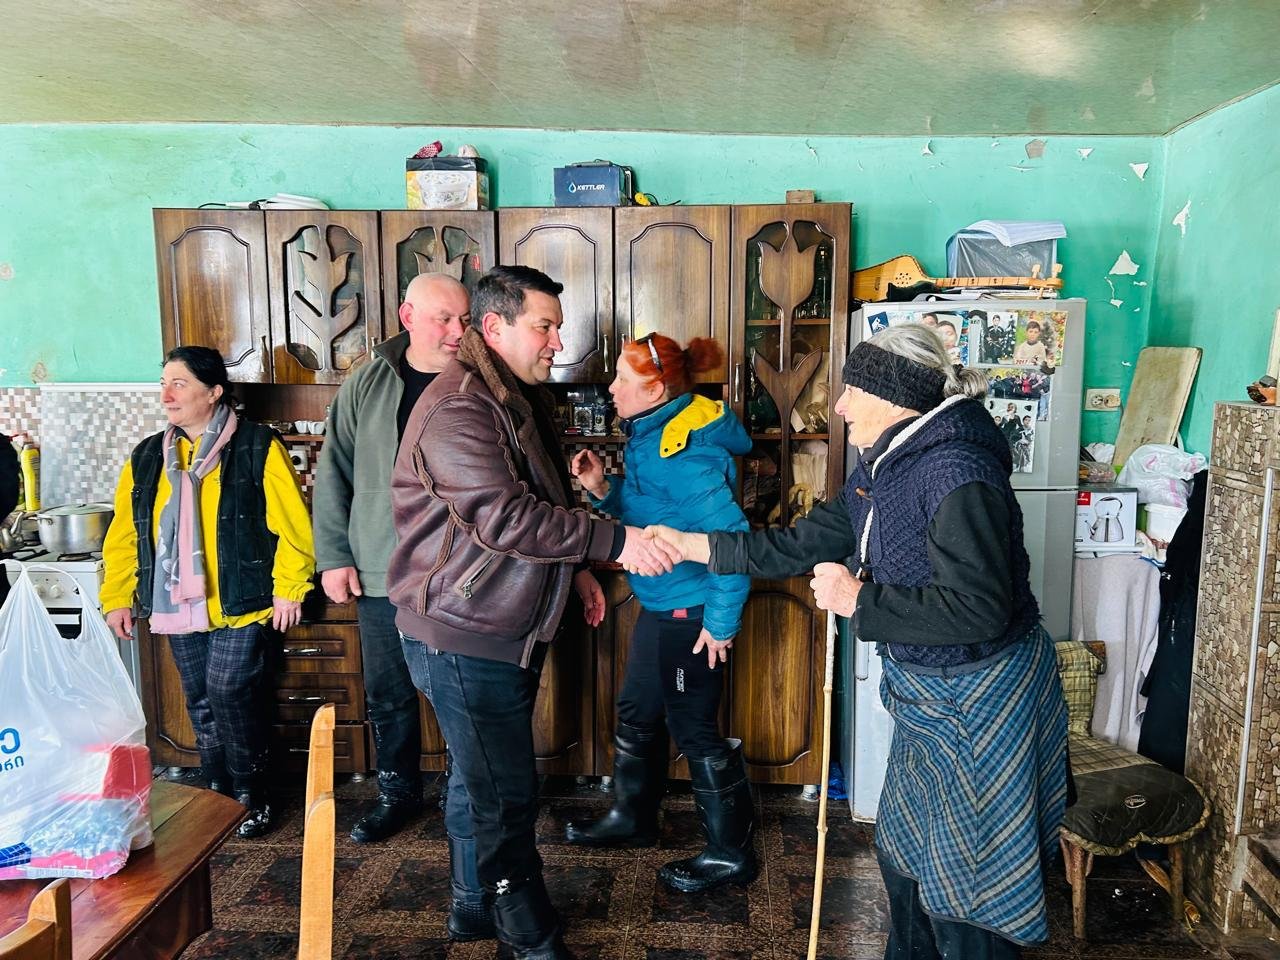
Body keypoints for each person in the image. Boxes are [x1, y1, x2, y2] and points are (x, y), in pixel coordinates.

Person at [647, 324, 1068, 959]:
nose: (839, 406)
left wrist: (857, 601)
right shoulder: (885, 463)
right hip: (930, 699)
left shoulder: (958, 472)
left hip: (982, 699)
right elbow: (800, 543)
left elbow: (980, 610)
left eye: (851, 391)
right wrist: (692, 545)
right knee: (905, 856)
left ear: (894, 398)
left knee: (970, 889)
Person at [388, 265, 679, 959]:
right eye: (543, 327)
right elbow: (506, 518)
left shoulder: (511, 395)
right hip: (463, 629)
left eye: (556, 327)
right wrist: (617, 542)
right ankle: (529, 935)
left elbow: (544, 500)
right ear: (494, 327)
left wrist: (575, 570)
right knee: (505, 796)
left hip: (492, 621)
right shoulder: (461, 406)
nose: (556, 341)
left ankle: (472, 906)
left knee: (479, 778)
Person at [562, 333, 757, 893]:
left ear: (655, 389)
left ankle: (729, 854)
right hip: (661, 605)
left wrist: (719, 624)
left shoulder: (684, 450)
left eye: (623, 380)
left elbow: (732, 542)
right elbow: (654, 507)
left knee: (693, 728)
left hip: (692, 614)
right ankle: (633, 818)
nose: (611, 389)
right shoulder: (655, 433)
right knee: (637, 711)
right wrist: (603, 488)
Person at [102, 346, 315, 838]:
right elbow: (126, 533)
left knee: (230, 692)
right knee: (199, 697)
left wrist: (289, 587)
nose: (166, 394)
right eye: (163, 384)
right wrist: (117, 595)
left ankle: (252, 793)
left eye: (179, 384)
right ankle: (219, 790)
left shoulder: (257, 445)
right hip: (178, 603)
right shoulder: (148, 455)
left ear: (214, 391)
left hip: (243, 601)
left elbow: (292, 525)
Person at [312, 273, 469, 850]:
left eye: (464, 319)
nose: (457, 331)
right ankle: (396, 794)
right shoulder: (369, 378)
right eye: (443, 319)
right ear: (408, 317)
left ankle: (463, 793)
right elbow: (334, 470)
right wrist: (334, 555)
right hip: (381, 566)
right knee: (388, 691)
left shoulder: (478, 379)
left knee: (460, 690)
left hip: (460, 572)